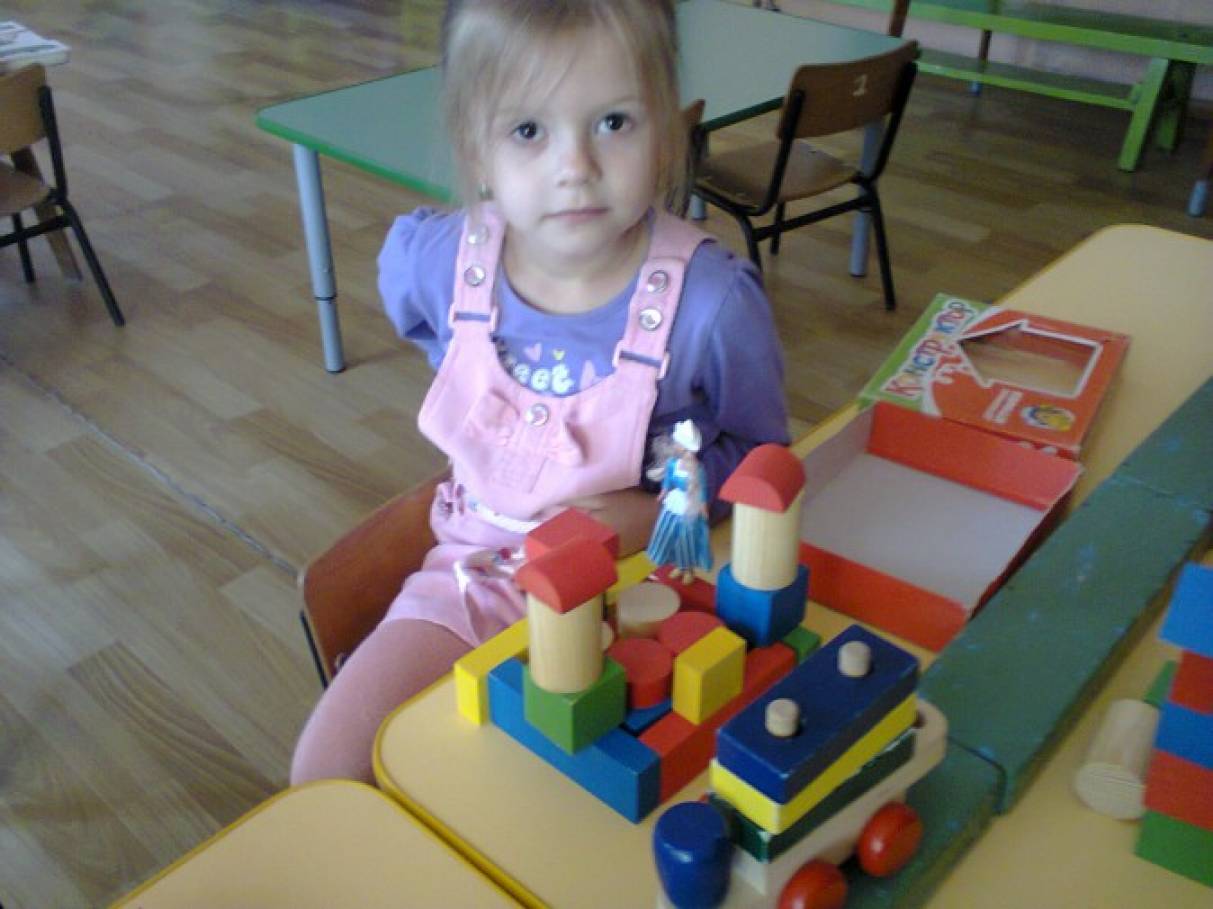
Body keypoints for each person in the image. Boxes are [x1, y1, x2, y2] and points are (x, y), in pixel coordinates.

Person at [290, 0, 789, 785]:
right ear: (475, 149)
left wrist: (662, 508)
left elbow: (762, 455)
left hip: (657, 587)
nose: (574, 166)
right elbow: (423, 321)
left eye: (613, 122)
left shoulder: (711, 303)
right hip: (483, 579)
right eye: (528, 130)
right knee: (324, 772)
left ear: (666, 129)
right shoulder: (437, 257)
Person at [646, 420, 712, 584]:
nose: (675, 444)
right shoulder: (672, 464)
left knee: (686, 538)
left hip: (688, 505)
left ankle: (688, 568)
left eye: (678, 442)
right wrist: (663, 492)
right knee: (670, 534)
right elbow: (668, 480)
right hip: (675, 501)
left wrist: (703, 506)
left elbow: (702, 488)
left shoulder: (697, 469)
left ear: (683, 447)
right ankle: (678, 565)